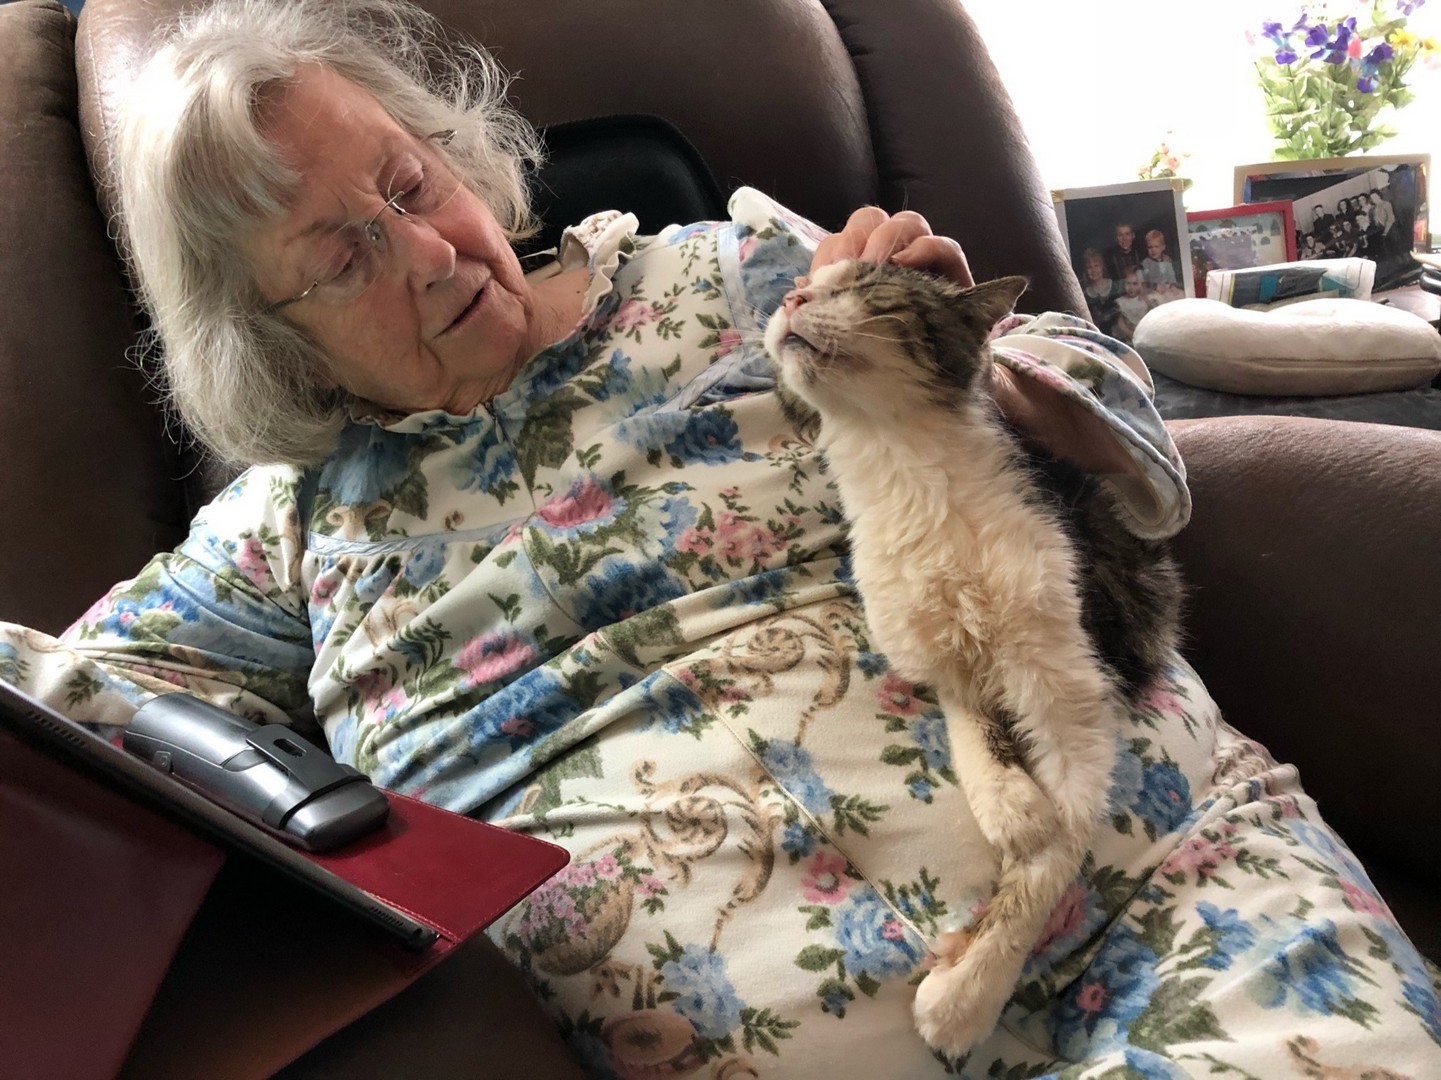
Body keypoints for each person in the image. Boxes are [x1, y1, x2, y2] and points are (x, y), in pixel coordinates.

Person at [1, 2, 1437, 1078]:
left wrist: (985, 373)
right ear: (271, 343)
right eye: (343, 255)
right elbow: (63, 710)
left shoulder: (734, 272)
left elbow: (1107, 400)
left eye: (410, 184)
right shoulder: (291, 527)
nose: (426, 251)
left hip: (1170, 907)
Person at [1078, 246, 1121, 336]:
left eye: (1096, 265)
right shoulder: (1085, 294)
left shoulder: (1115, 287)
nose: (1093, 270)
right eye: (1089, 267)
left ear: (1102, 267)